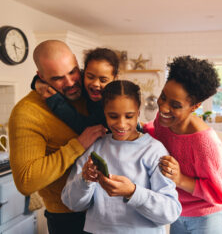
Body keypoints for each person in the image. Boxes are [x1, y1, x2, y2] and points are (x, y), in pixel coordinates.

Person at [8, 40, 107, 234]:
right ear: (41, 77)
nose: (70, 83)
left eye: (72, 72)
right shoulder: (27, 113)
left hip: (110, 209)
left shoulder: (89, 93)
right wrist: (77, 145)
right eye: (58, 78)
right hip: (69, 218)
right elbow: (26, 182)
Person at [61, 80, 181, 234]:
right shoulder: (96, 147)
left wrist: (133, 192)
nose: (121, 124)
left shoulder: (154, 151)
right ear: (105, 113)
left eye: (129, 116)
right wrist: (85, 180)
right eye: (113, 116)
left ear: (138, 113)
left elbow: (170, 212)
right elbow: (72, 203)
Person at [144, 56, 222, 233]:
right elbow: (156, 134)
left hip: (209, 217)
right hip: (177, 211)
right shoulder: (163, 121)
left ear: (195, 106)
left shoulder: (204, 143)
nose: (163, 108)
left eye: (175, 105)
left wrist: (179, 179)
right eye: (163, 97)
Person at [33, 47, 120, 134]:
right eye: (90, 77)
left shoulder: (115, 103)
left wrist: (56, 102)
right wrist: (38, 82)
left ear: (115, 78)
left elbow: (87, 128)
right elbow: (50, 75)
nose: (95, 83)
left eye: (103, 80)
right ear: (83, 72)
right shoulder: (81, 80)